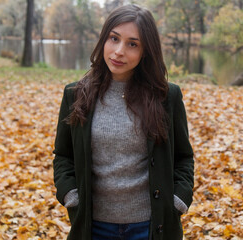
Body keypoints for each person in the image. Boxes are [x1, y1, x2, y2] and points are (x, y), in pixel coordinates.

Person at [53, 4, 194, 240]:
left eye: (132, 44)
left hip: (150, 226)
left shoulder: (166, 97)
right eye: (114, 38)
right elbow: (63, 155)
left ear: (145, 51)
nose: (119, 51)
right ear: (103, 39)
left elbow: (183, 157)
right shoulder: (76, 95)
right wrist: (71, 196)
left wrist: (178, 200)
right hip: (92, 226)